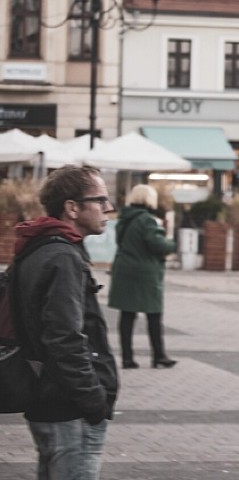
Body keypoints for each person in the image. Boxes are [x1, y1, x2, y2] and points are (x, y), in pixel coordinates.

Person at [12, 165, 119, 479]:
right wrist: (93, 398)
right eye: (99, 200)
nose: (107, 208)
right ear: (72, 208)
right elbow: (64, 337)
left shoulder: (36, 247)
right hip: (67, 405)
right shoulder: (62, 256)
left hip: (46, 397)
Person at [108, 185, 177, 369]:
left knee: (127, 315)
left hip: (124, 269)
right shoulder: (147, 220)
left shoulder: (124, 219)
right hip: (144, 272)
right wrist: (170, 245)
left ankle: (127, 358)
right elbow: (156, 244)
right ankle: (159, 355)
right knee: (154, 314)